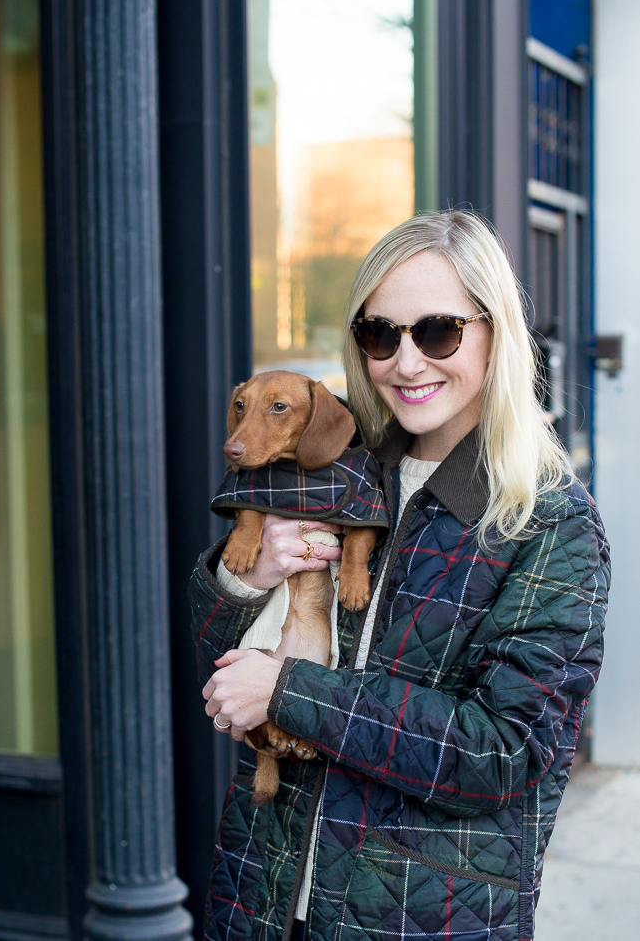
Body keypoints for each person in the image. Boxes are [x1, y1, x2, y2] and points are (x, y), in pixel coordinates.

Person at [189, 211, 609, 941]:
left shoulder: (548, 521)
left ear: (493, 331)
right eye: (380, 334)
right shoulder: (338, 471)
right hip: (261, 890)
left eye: (437, 331)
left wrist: (289, 690)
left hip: (415, 914)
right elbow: (217, 657)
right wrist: (243, 584)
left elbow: (501, 751)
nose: (405, 362)